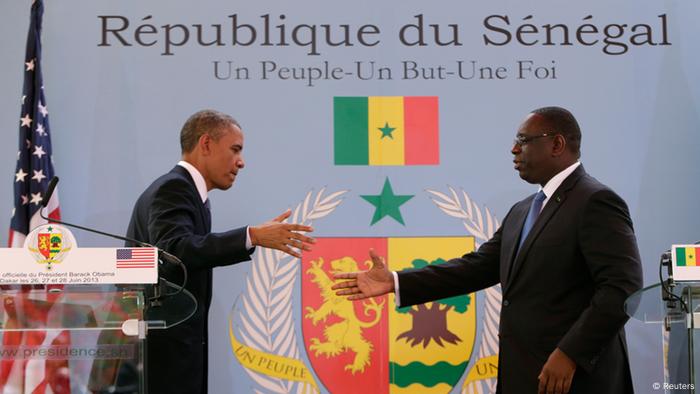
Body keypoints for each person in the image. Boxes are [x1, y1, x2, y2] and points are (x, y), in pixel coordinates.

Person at [333, 107, 643, 394]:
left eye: (523, 140)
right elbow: (477, 267)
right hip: (524, 375)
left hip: (575, 379)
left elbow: (621, 287)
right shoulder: (523, 211)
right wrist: (396, 281)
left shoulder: (596, 202)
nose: (513, 149)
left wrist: (570, 353)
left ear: (557, 144)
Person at [125, 109, 314, 394]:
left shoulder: (192, 196)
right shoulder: (173, 188)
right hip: (158, 365)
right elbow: (175, 250)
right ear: (206, 144)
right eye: (235, 149)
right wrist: (252, 236)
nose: (241, 162)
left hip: (172, 360)